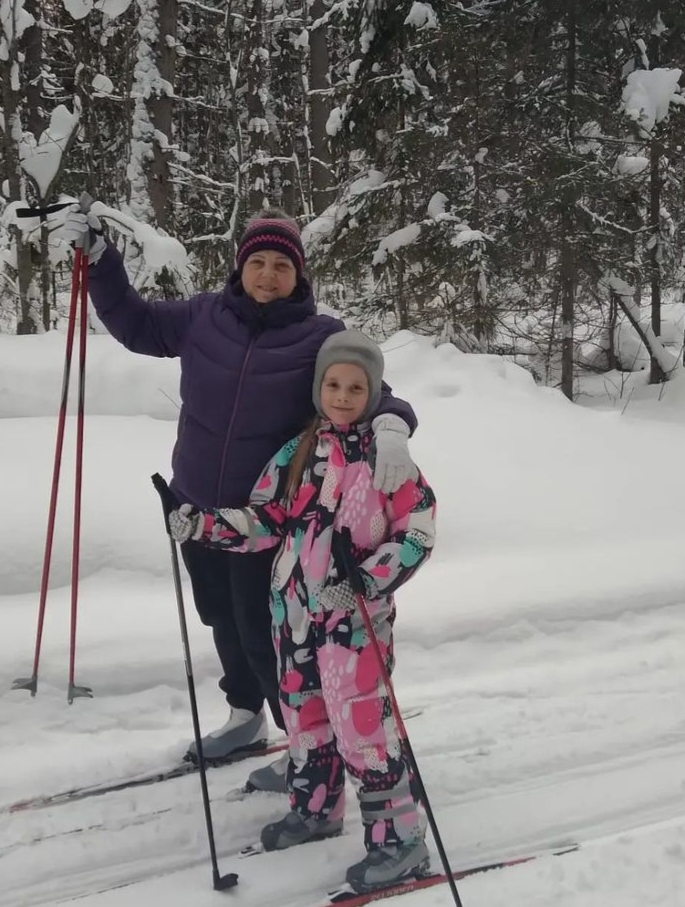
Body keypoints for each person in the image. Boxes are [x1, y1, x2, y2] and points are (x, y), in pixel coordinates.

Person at [60, 204, 420, 792]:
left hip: (269, 520)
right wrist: (101, 264)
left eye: (282, 264)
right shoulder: (204, 317)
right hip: (197, 507)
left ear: (299, 274)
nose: (269, 275)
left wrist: (394, 422)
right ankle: (245, 716)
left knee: (266, 629)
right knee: (219, 616)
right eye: (259, 262)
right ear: (240, 265)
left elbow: (365, 387)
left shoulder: (320, 337)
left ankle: (303, 742)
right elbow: (135, 323)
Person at [167, 330, 436, 893]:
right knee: (306, 718)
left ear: (374, 391)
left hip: (353, 626)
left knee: (362, 726)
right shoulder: (298, 452)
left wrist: (364, 582)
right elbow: (264, 521)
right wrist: (200, 524)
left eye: (356, 386)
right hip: (292, 616)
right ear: (318, 388)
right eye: (333, 384)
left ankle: (400, 841)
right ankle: (316, 807)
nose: (342, 395)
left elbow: (417, 534)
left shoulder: (387, 461)